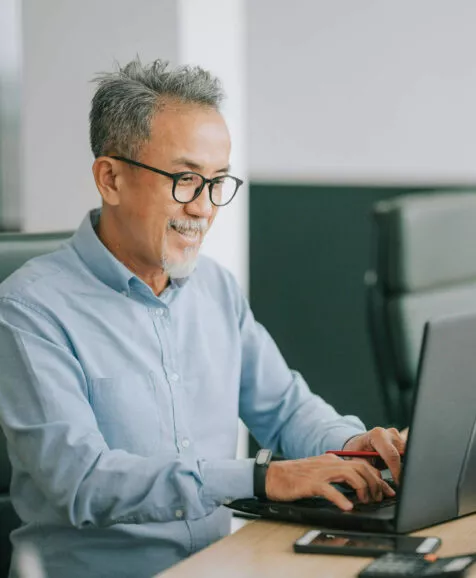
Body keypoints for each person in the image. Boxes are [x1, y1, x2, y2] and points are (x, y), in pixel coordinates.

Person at [0, 58, 405, 578]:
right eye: (186, 179)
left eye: (217, 182)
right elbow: (83, 482)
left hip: (222, 567)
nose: (205, 208)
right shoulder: (30, 309)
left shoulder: (214, 286)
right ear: (111, 178)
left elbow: (284, 409)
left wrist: (356, 448)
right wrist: (262, 479)